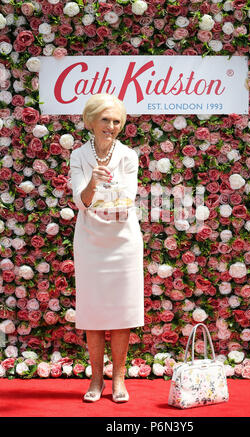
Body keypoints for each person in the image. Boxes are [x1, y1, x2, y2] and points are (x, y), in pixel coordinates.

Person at [69, 93, 144, 403]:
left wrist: (101, 195)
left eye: (116, 121)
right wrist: (93, 184)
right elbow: (82, 201)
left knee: (122, 311)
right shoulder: (78, 156)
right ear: (90, 121)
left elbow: (125, 201)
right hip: (89, 241)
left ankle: (119, 379)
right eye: (105, 120)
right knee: (93, 310)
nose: (111, 126)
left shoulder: (128, 155)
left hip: (123, 240)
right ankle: (96, 379)